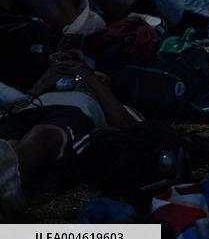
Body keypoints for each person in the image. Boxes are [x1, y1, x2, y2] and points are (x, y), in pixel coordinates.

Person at [0, 49, 139, 218]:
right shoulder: (51, 93)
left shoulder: (107, 104)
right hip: (29, 112)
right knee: (7, 146)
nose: (83, 80)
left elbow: (132, 128)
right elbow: (19, 105)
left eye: (99, 79)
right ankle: (9, 188)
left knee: (42, 135)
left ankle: (9, 190)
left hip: (71, 115)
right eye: (80, 78)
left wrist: (91, 77)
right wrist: (46, 79)